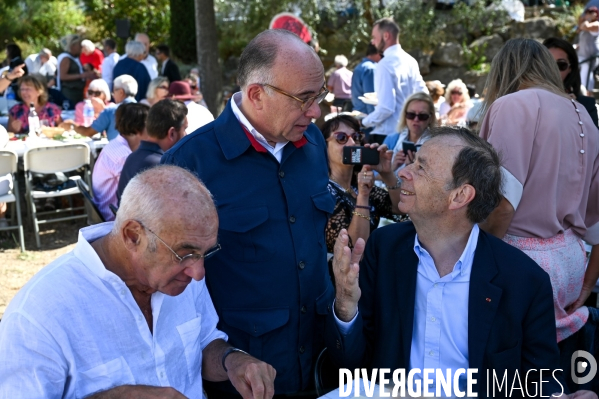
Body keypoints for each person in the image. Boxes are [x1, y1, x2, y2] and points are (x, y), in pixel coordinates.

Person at [326, 126, 598, 399]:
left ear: (459, 196)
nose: (403, 173)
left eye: (421, 168)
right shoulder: (384, 249)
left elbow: (540, 380)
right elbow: (352, 365)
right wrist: (346, 308)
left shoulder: (524, 280)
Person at [0, 165, 276, 398]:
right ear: (133, 235)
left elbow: (203, 342)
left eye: (205, 253)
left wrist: (232, 360)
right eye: (185, 253)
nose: (198, 272)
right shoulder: (38, 315)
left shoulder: (182, 276)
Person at [161, 29, 335, 397]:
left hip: (319, 360)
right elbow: (166, 287)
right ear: (257, 94)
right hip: (244, 375)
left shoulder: (313, 142)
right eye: (305, 98)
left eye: (320, 95)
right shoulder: (189, 163)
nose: (316, 110)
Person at [478, 39, 599, 393]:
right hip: (570, 262)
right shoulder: (582, 115)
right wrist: (589, 283)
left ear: (505, 68)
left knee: (510, 375)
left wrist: (476, 257)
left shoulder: (511, 105)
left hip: (519, 259)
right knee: (551, 373)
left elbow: (503, 203)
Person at [322, 114, 405, 254]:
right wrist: (363, 196)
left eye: (356, 137)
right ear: (325, 146)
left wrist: (387, 173)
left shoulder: (356, 184)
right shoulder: (323, 191)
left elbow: (400, 208)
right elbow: (353, 249)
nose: (351, 143)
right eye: (341, 138)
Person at [362, 18, 428, 145]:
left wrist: (363, 122)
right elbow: (423, 95)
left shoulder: (384, 64)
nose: (373, 42)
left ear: (386, 36)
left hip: (387, 135)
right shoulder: (411, 61)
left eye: (374, 37)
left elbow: (386, 108)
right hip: (408, 133)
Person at [117, 99, 188, 203]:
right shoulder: (163, 166)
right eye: (185, 129)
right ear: (171, 133)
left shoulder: (133, 157)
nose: (187, 134)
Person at [92, 103, 147, 221]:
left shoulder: (117, 146)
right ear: (139, 129)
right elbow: (138, 196)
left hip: (107, 211)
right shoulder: (123, 155)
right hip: (113, 218)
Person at [544, 37, 599, 127]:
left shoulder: (586, 105)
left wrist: (575, 113)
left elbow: (592, 140)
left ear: (570, 68)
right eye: (547, 64)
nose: (553, 70)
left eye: (561, 64)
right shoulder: (525, 101)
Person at [61, 74, 137, 140]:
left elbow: (88, 132)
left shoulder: (110, 110)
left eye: (114, 91)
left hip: (118, 154)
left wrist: (72, 125)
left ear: (121, 92)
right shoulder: (144, 109)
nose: (113, 95)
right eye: (90, 92)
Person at [391, 92, 437, 171]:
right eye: (411, 114)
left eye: (422, 116)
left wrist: (414, 169)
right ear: (405, 115)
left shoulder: (436, 146)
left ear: (430, 118)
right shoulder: (393, 139)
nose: (416, 119)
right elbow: (376, 175)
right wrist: (392, 167)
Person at [57, 34, 97, 108]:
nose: (81, 47)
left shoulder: (75, 57)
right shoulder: (66, 58)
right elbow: (63, 76)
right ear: (73, 46)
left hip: (77, 93)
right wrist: (81, 75)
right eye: (79, 45)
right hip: (69, 93)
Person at [351, 44, 382, 115]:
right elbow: (371, 97)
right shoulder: (371, 68)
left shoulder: (360, 66)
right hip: (367, 115)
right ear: (379, 53)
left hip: (358, 111)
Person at [578, 6, 599, 93]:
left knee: (586, 76)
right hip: (582, 54)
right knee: (582, 76)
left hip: (591, 55)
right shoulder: (586, 23)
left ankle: (588, 95)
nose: (588, 15)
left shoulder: (596, 24)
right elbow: (579, 29)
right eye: (587, 13)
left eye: (590, 13)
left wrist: (587, 19)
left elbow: (584, 26)